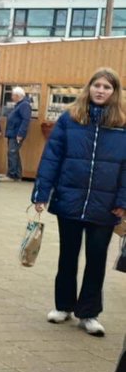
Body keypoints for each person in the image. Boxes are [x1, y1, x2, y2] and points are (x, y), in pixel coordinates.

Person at [32, 68, 126, 337]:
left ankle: (89, 313)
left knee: (96, 259)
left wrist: (123, 200)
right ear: (89, 88)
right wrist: (41, 193)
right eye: (97, 85)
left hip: (105, 205)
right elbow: (52, 158)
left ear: (114, 92)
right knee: (68, 257)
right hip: (69, 200)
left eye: (107, 87)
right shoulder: (69, 119)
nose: (101, 91)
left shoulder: (122, 124)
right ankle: (63, 306)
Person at [4, 86, 32, 180]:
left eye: (13, 95)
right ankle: (17, 174)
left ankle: (11, 175)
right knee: (14, 153)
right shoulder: (20, 104)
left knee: (12, 153)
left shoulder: (24, 105)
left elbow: (25, 120)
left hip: (16, 134)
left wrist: (20, 134)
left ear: (17, 96)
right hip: (13, 133)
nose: (11, 97)